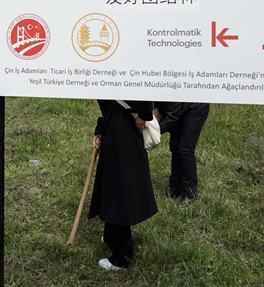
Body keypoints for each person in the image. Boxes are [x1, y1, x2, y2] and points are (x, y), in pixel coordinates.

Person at [89, 99, 157, 271]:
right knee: (112, 186)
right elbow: (110, 106)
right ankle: (112, 237)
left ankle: (122, 258)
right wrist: (100, 130)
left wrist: (144, 114)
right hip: (114, 130)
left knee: (119, 190)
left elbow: (143, 91)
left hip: (123, 135)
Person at [157, 102, 210, 207]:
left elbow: (173, 115)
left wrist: (154, 131)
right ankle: (175, 190)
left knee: (185, 149)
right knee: (175, 147)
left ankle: (190, 193)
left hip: (196, 107)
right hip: (178, 108)